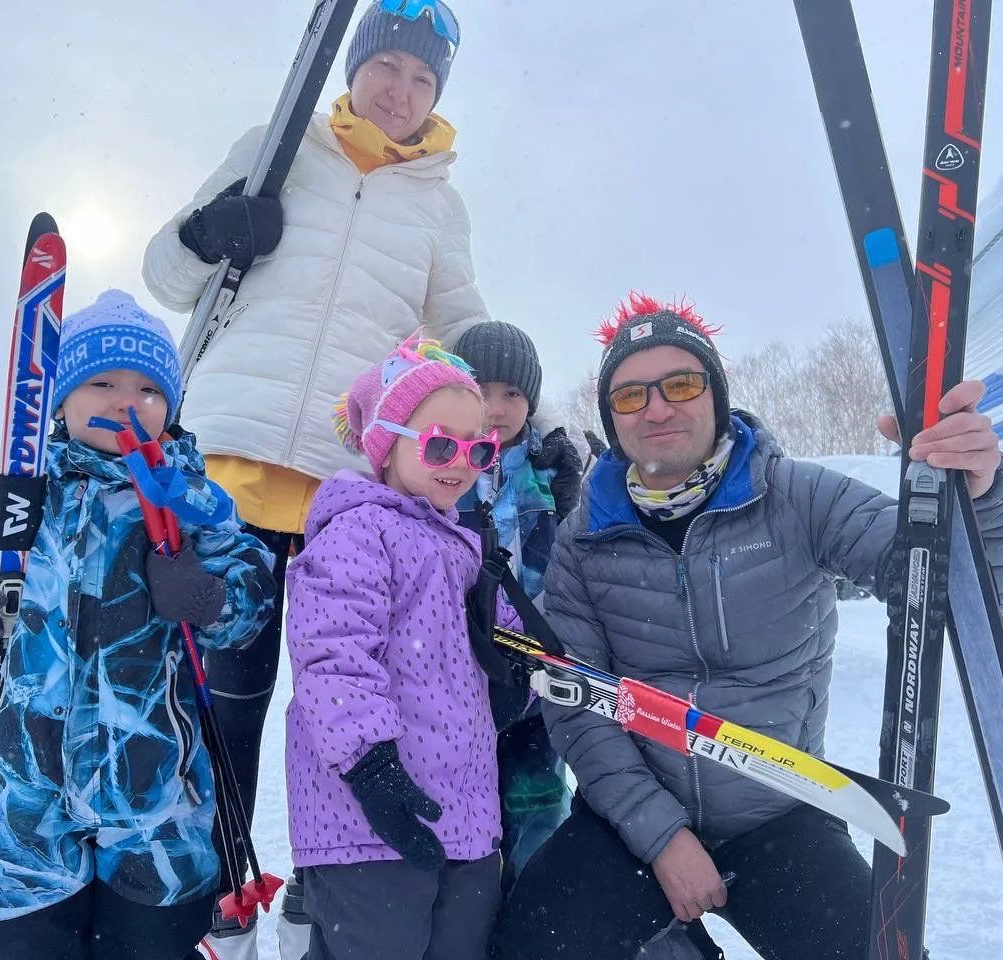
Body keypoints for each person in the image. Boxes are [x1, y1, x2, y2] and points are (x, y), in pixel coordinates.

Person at [492, 293, 1003, 960]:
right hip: (631, 820)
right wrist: (662, 838)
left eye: (680, 384)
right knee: (528, 948)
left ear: (716, 395)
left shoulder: (798, 496)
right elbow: (577, 705)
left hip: (779, 812)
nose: (656, 408)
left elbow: (950, 602)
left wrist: (978, 493)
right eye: (630, 396)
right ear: (612, 417)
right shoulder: (583, 541)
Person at [141, 6, 484, 951]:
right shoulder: (278, 146)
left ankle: (323, 889)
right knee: (226, 702)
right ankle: (218, 894)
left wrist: (507, 400)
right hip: (231, 472)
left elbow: (459, 333)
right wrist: (207, 233)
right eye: (388, 68)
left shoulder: (440, 206)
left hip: (352, 497)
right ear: (354, 67)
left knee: (357, 700)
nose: (401, 91)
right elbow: (167, 275)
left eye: (423, 78)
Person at [0, 290, 277, 960]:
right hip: (27, 798)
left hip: (155, 803)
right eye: (103, 383)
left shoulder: (193, 499)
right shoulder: (20, 496)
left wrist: (208, 597)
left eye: (148, 389)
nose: (126, 401)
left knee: (152, 946)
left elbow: (251, 594)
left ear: (171, 406)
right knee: (19, 946)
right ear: (58, 403)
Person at [283, 335, 517, 960]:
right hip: (362, 819)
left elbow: (502, 644)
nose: (459, 462)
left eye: (478, 449)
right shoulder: (358, 531)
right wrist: (369, 765)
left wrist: (517, 667)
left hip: (464, 819)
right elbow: (332, 654)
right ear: (386, 444)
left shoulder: (465, 545)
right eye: (439, 444)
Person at [451, 320, 581, 892]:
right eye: (481, 391)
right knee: (463, 821)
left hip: (535, 674)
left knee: (537, 806)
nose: (497, 408)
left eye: (513, 393)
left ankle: (535, 910)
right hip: (456, 676)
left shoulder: (553, 469)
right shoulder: (439, 463)